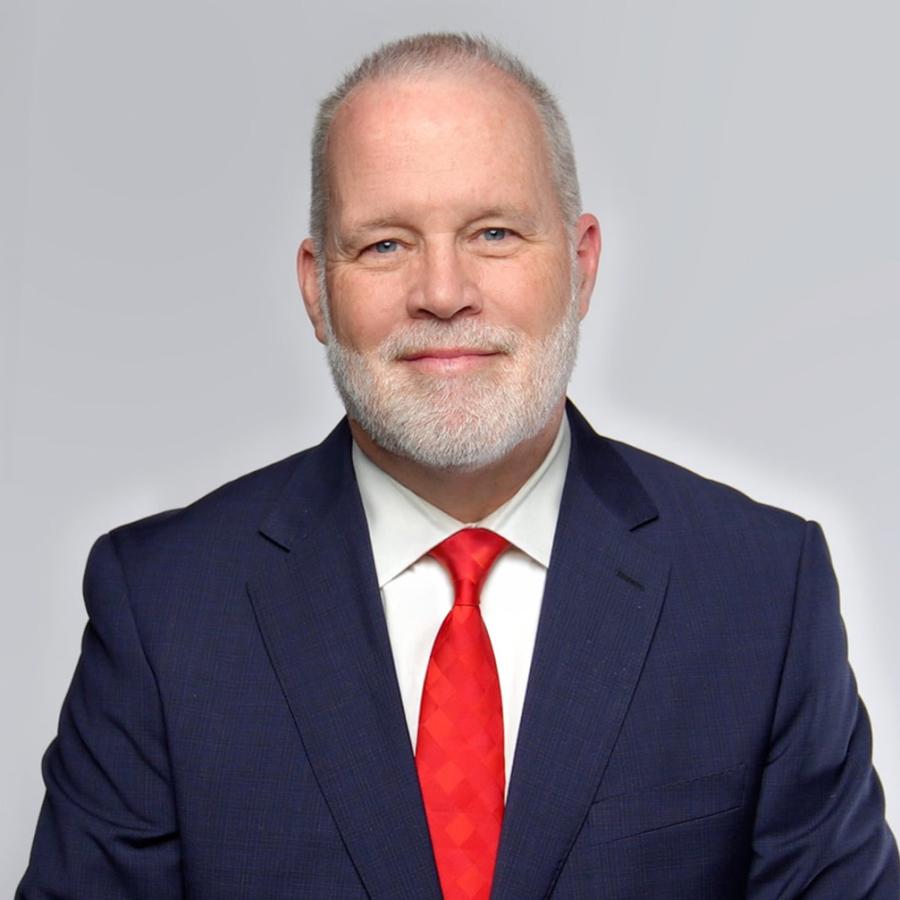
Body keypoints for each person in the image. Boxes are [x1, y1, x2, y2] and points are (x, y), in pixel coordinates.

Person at [17, 32, 898, 900]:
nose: (442, 293)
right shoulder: (165, 606)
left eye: (494, 233)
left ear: (582, 266)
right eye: (385, 245)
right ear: (317, 289)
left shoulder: (759, 590)